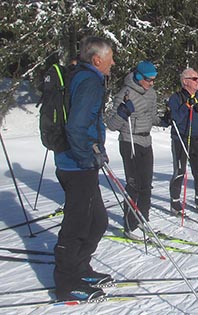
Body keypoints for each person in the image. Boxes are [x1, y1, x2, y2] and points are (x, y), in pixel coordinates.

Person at [53, 36, 115, 301]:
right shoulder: (90, 80)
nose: (113, 63)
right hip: (77, 165)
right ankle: (66, 284)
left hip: (77, 162)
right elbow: (77, 126)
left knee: (97, 221)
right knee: (77, 226)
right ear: (97, 59)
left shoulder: (82, 76)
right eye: (110, 58)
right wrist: (88, 158)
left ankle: (80, 268)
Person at [107, 60, 168, 240]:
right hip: (129, 141)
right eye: (149, 80)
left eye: (154, 80)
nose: (152, 83)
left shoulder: (151, 94)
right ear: (139, 77)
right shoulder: (124, 94)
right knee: (133, 185)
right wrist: (122, 112)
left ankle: (143, 220)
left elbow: (151, 117)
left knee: (146, 185)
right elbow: (111, 125)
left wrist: (164, 120)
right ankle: (130, 226)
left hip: (146, 140)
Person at [168, 68, 198, 215]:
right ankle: (175, 202)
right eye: (194, 79)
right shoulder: (176, 98)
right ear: (185, 81)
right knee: (180, 172)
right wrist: (186, 106)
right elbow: (174, 119)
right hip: (181, 138)